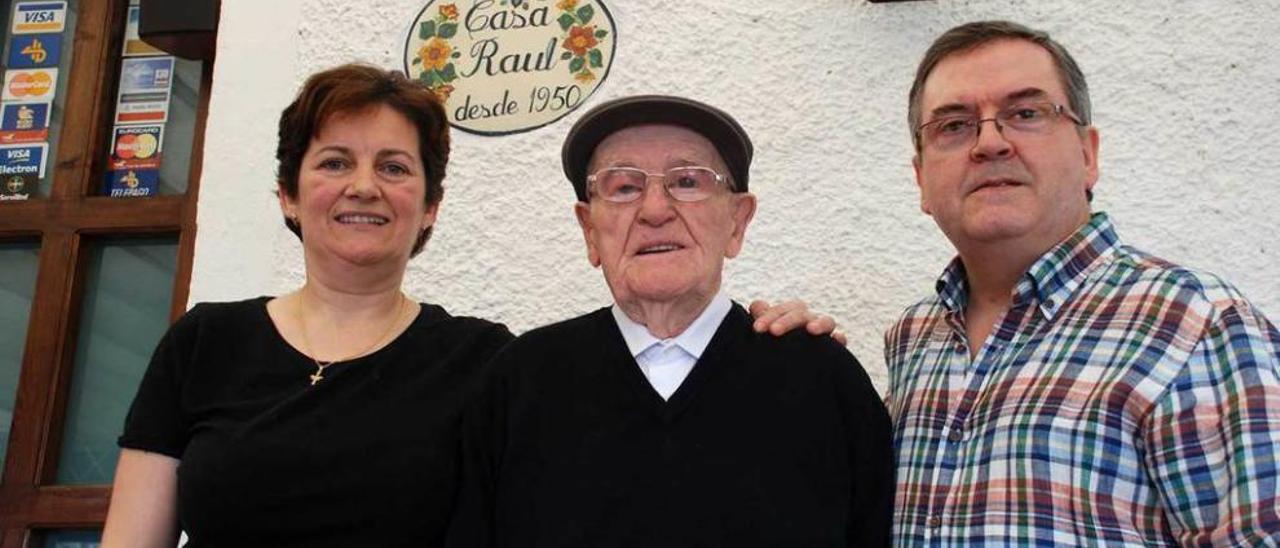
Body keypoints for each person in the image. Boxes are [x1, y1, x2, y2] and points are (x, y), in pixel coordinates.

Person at [101, 65, 835, 547]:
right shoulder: (204, 343)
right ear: (289, 194)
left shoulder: (489, 363)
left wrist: (762, 345)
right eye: (333, 162)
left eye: (394, 167)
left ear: (429, 207)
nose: (363, 187)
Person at [885, 20, 1280, 546]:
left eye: (1025, 113)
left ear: (1088, 155)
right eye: (953, 126)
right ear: (921, 181)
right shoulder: (914, 339)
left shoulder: (1197, 323)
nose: (989, 143)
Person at [447, 95, 893, 547]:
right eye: (623, 188)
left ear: (737, 222)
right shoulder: (519, 382)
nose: (655, 210)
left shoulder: (823, 380)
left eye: (686, 181)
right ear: (589, 229)